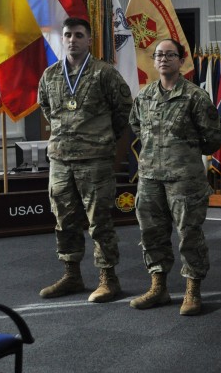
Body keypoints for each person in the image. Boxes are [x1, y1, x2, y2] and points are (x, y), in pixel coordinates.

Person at [37, 17, 132, 303]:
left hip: (95, 161)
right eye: (68, 35)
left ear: (89, 40)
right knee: (63, 219)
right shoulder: (50, 75)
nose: (72, 40)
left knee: (99, 221)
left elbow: (123, 112)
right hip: (60, 161)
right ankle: (71, 275)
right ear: (62, 39)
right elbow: (47, 109)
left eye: (79, 35)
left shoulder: (105, 73)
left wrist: (101, 140)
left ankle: (108, 279)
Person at [128, 39, 221, 315]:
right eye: (159, 55)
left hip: (185, 179)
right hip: (149, 177)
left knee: (189, 235)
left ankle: (193, 291)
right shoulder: (145, 96)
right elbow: (136, 125)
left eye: (170, 55)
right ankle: (158, 287)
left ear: (181, 61)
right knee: (151, 234)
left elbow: (215, 136)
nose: (163, 59)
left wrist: (187, 151)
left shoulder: (194, 96)